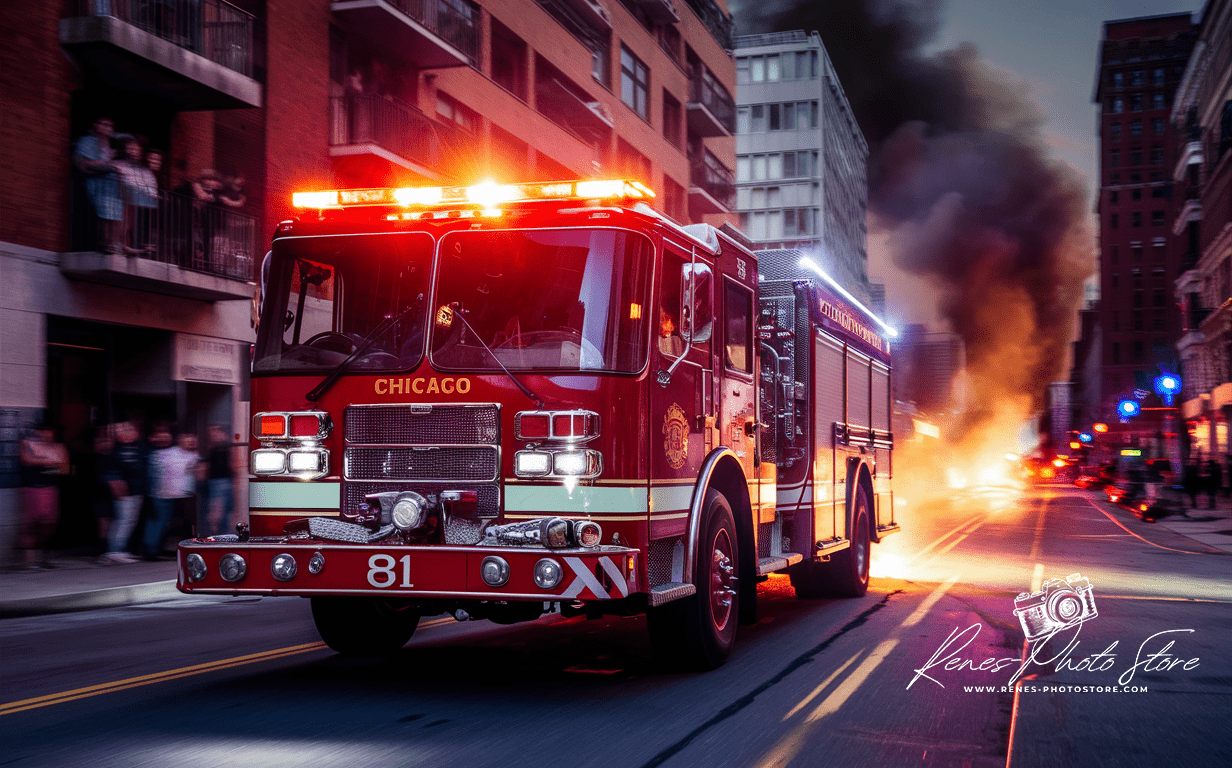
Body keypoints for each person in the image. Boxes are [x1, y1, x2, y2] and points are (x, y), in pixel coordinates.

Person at [144, 427, 200, 559]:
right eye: (187, 437)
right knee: (160, 522)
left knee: (182, 524)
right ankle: (151, 550)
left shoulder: (195, 455)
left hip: (185, 495)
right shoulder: (165, 454)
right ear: (180, 439)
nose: (190, 440)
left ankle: (181, 549)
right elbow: (154, 475)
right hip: (164, 495)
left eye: (193, 438)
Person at [18, 425, 69, 569]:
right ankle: (30, 562)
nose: (46, 435)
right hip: (31, 489)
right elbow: (26, 460)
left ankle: (43, 559)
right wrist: (51, 462)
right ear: (37, 432)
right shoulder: (27, 444)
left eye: (49, 431)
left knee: (49, 524)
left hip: (50, 489)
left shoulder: (60, 447)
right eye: (43, 432)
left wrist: (39, 461)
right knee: (31, 524)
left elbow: (65, 469)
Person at [72, 117, 123, 254]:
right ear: (96, 125)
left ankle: (115, 244)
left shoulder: (112, 145)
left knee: (118, 210)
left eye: (110, 126)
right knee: (105, 208)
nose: (108, 128)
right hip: (95, 184)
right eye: (104, 124)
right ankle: (104, 242)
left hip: (112, 188)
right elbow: (82, 164)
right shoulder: (87, 141)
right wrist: (108, 166)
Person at [102, 421, 148, 563]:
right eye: (123, 429)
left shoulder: (140, 447)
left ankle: (119, 550)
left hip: (137, 490)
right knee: (123, 521)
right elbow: (110, 472)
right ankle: (115, 550)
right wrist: (116, 486)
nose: (128, 432)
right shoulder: (115, 450)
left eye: (130, 429)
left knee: (130, 521)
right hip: (124, 492)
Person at [117, 138, 160, 254]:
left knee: (133, 222)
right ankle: (123, 245)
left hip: (140, 204)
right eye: (131, 148)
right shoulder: (124, 165)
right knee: (126, 222)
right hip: (127, 200)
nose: (134, 151)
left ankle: (135, 246)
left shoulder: (147, 173)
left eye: (136, 149)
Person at [204, 424, 234, 537]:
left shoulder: (223, 447)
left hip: (223, 481)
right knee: (217, 511)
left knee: (224, 510)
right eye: (212, 432)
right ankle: (216, 533)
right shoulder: (214, 448)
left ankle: (222, 533)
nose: (214, 434)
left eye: (217, 431)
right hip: (217, 481)